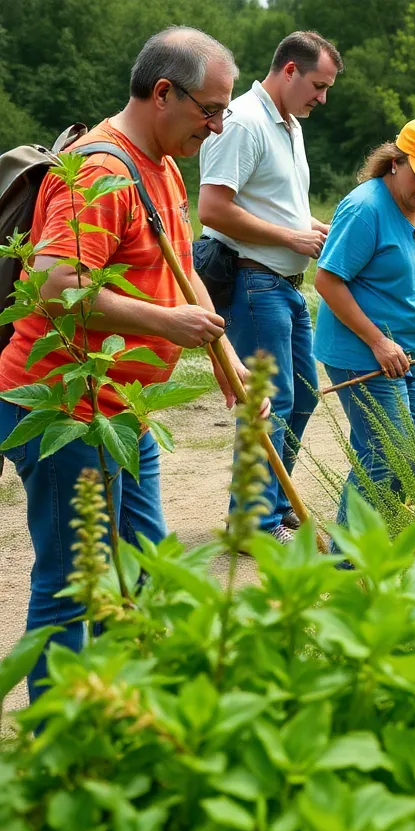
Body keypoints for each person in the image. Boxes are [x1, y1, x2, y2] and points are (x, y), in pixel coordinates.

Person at [0, 28, 245, 700]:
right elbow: (54, 287)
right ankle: (59, 750)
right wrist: (169, 324)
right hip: (64, 408)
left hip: (124, 412)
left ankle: (126, 707)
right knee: (72, 584)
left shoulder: (162, 162)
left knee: (144, 565)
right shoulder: (102, 173)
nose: (218, 126)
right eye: (210, 110)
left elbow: (180, 266)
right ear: (163, 92)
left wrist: (220, 351)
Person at [197, 31, 342, 542]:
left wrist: (310, 226)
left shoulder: (288, 124)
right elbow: (213, 210)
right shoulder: (241, 121)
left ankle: (274, 506)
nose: (322, 98)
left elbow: (272, 203)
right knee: (270, 401)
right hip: (251, 279)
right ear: (288, 71)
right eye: (318, 85)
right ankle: (253, 524)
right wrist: (289, 235)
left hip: (285, 283)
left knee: (302, 397)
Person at [313, 119, 415, 540]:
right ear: (396, 162)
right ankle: (344, 567)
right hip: (361, 352)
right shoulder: (365, 208)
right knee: (386, 457)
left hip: (411, 351)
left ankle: (369, 540)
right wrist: (378, 340)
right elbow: (327, 281)